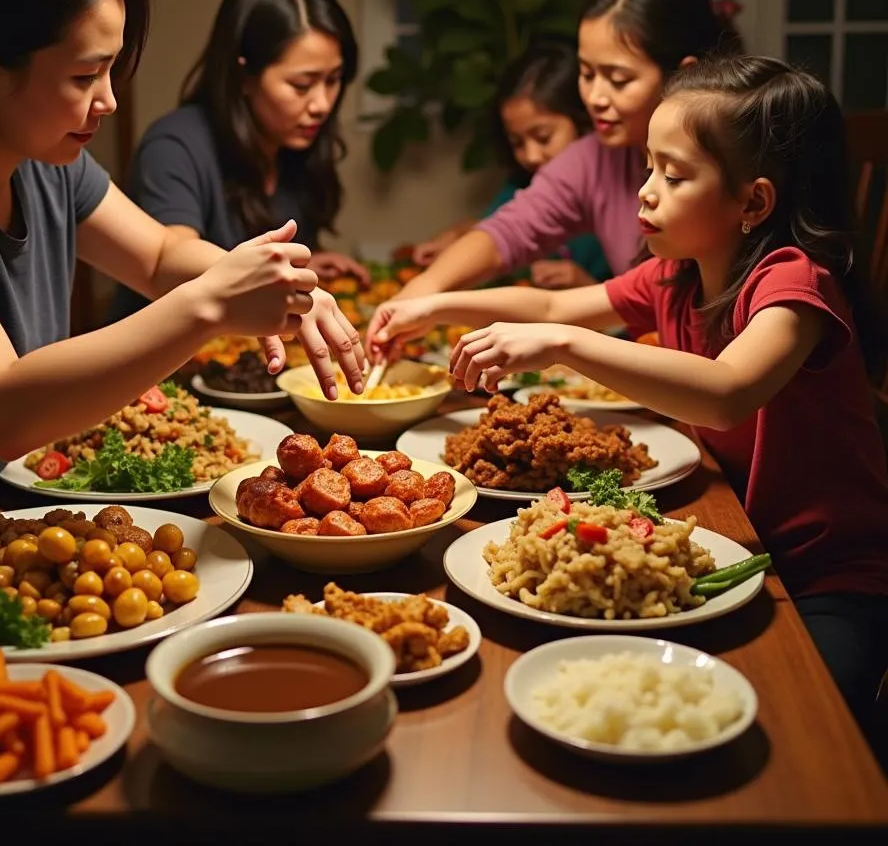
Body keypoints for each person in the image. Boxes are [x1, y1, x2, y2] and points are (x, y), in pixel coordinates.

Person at [370, 55, 888, 743]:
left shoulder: (794, 285)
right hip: (729, 546)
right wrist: (434, 308)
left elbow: (728, 394)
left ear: (753, 203)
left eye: (673, 177)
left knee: (802, 736)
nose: (645, 192)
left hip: (828, 581)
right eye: (649, 167)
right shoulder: (676, 274)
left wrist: (560, 344)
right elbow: (554, 301)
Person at [0, 0, 365, 551]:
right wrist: (212, 304)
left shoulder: (43, 155)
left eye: (111, 68)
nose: (109, 100)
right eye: (85, 74)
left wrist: (278, 283)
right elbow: (3, 408)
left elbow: (157, 256)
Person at [365, 0, 739, 356]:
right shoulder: (595, 159)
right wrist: (424, 294)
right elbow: (510, 236)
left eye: (618, 79)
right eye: (586, 72)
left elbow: (730, 384)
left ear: (681, 77)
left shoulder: (739, 172)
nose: (595, 96)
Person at [111, 0, 368, 322]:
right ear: (244, 75)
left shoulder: (294, 145)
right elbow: (173, 264)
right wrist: (279, 280)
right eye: (302, 85)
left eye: (334, 80)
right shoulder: (173, 146)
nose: (322, 104)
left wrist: (308, 266)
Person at [412, 40, 609, 288]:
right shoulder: (523, 183)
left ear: (585, 123)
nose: (531, 155)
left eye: (543, 137)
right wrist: (457, 238)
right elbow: (499, 230)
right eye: (517, 142)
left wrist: (588, 288)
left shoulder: (619, 190)